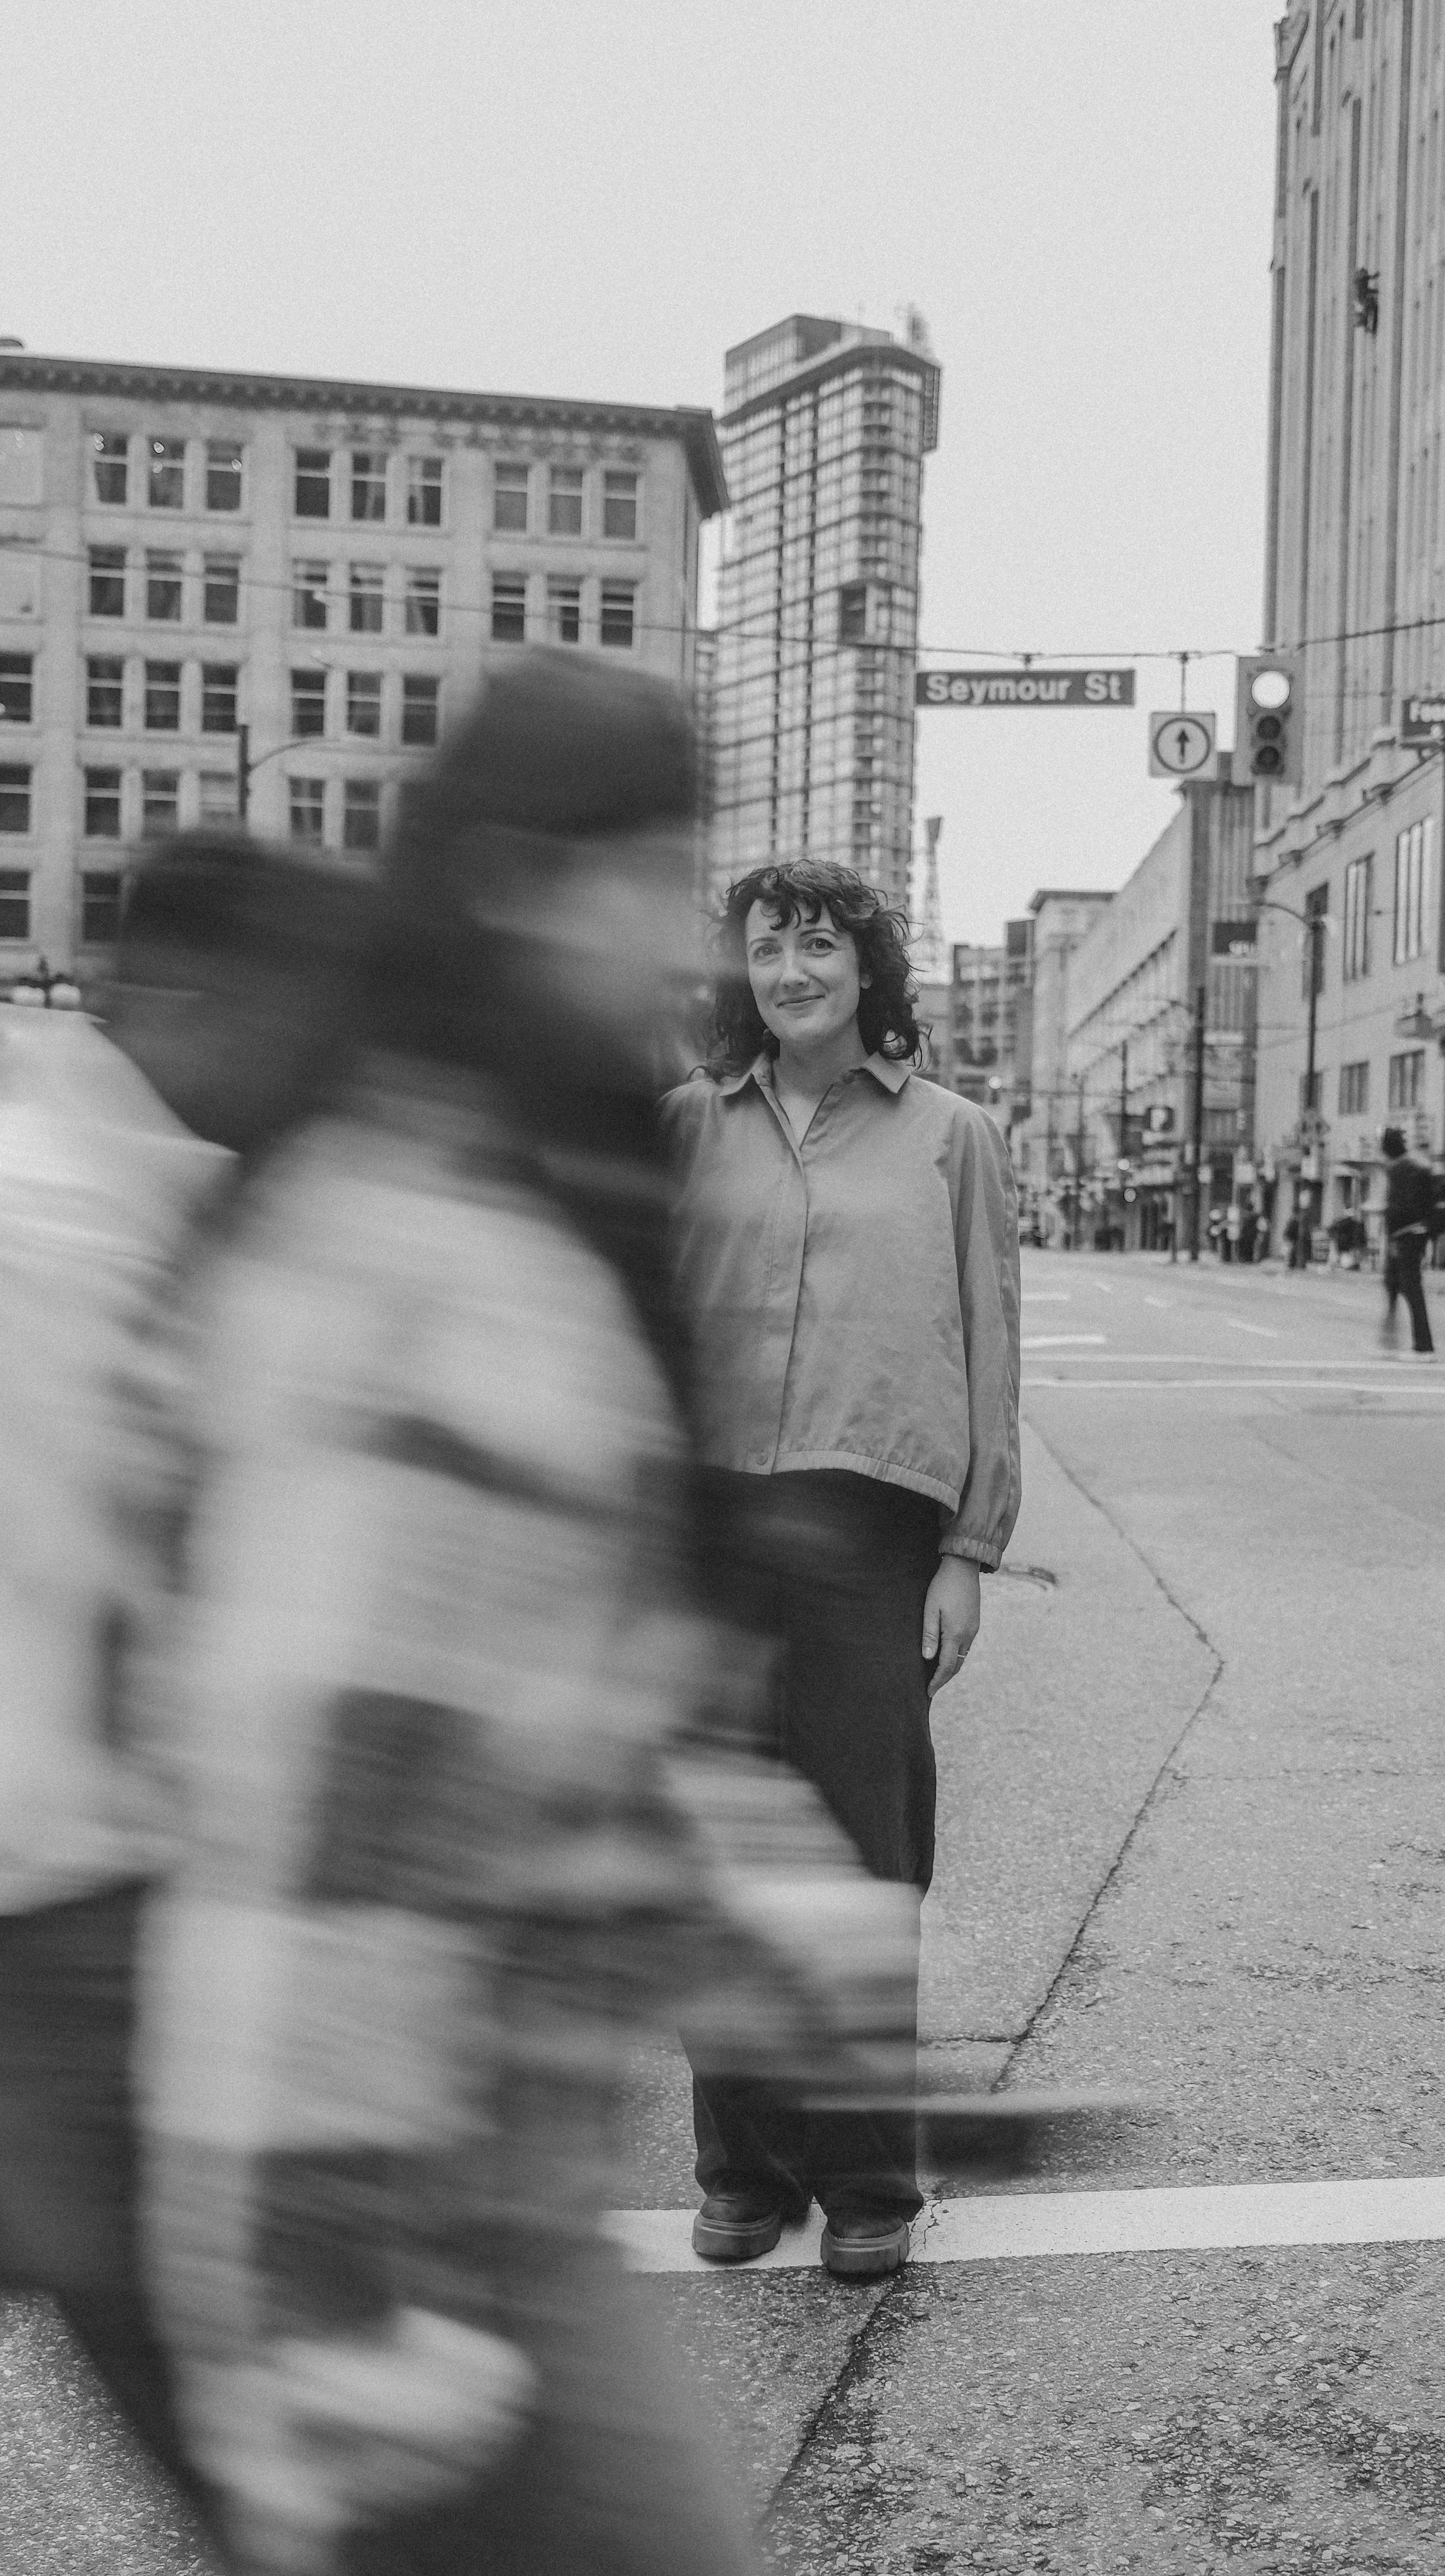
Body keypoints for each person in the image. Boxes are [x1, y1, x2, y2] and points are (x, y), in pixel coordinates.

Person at [122, 661, 917, 2576]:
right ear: (506, 884)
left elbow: (572, 1733)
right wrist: (331, 2344)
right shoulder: (426, 1262)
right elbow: (334, 1825)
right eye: (646, 877)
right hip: (392, 2237)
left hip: (479, 2192)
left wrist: (835, 2013)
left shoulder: (519, 1191)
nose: (684, 936)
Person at [0, 836, 366, 2537]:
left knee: (259, 2450)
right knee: (264, 2460)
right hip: (64, 1935)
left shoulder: (135, 1191)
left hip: (102, 1925)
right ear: (182, 1003)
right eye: (302, 1023)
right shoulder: (57, 1234)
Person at [664, 857, 1020, 2282]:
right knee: (719, 1853)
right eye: (770, 946)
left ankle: (868, 2176)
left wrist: (968, 1545)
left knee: (868, 1864)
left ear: (870, 969)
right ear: (741, 971)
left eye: (822, 944)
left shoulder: (952, 1135)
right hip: (713, 1531)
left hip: (870, 1532)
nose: (795, 969)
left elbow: (989, 1339)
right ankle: (740, 2162)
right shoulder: (688, 1125)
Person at [1380, 1123, 1435, 1353]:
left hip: (1406, 1236)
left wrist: (1388, 1217)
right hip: (1412, 1234)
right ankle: (1406, 1338)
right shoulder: (1414, 1167)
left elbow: (1400, 1207)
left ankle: (1423, 1345)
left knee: (1411, 1288)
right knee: (1401, 1284)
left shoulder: (1400, 1170)